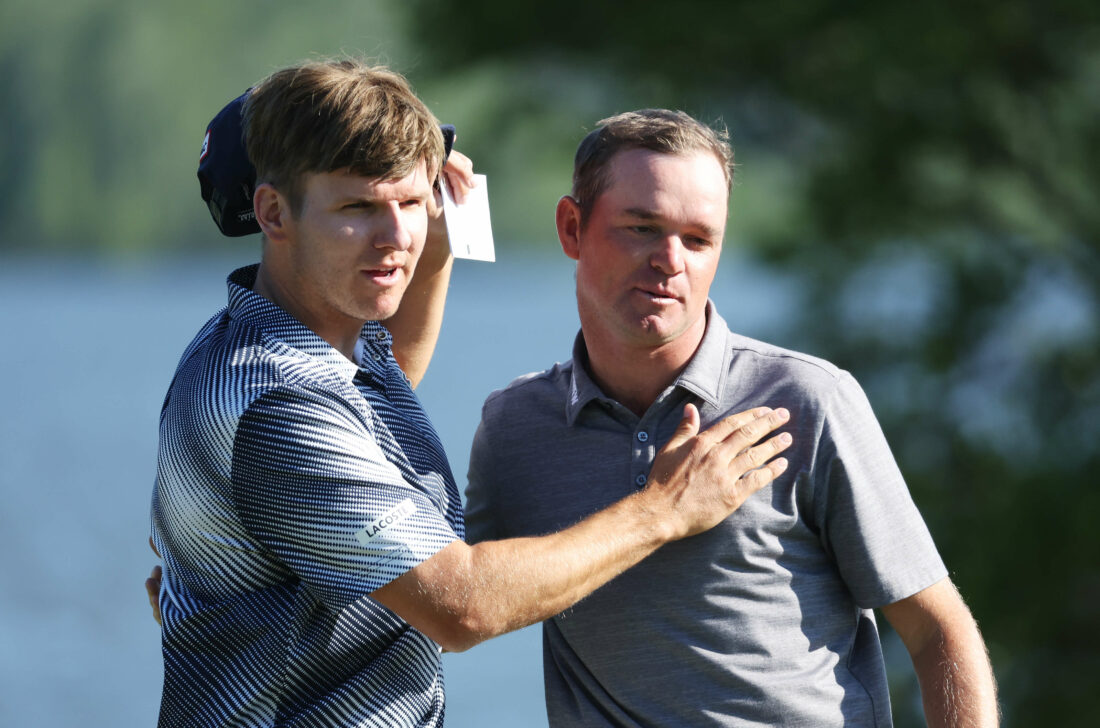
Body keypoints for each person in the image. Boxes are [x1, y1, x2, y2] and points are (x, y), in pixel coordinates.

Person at [148, 61, 792, 728]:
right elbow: (462, 606)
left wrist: (438, 250)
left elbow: (387, 375)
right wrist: (664, 508)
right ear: (273, 212)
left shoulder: (306, 333)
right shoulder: (280, 402)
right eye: (357, 208)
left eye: (410, 203)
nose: (396, 237)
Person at [463, 109, 1000, 727]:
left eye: (698, 240)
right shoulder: (515, 426)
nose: (671, 260)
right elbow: (453, 609)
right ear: (571, 227)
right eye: (642, 227)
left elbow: (937, 630)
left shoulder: (806, 399)